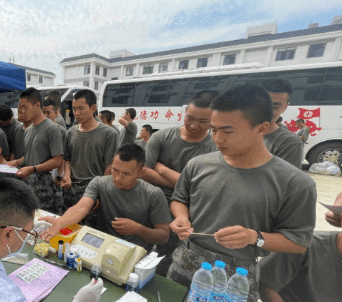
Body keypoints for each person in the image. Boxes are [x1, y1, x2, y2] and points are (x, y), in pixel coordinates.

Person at [168, 84, 317, 302]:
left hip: (236, 274)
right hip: (187, 258)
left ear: (262, 128)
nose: (217, 139)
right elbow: (180, 199)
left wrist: (254, 237)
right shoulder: (199, 165)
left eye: (227, 132)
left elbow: (298, 242)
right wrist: (181, 218)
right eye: (214, 129)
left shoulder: (294, 183)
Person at [140, 91, 219, 276]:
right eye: (190, 118)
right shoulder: (162, 137)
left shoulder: (214, 148)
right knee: (139, 250)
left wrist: (162, 169)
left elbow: (202, 189)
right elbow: (142, 171)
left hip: (182, 215)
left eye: (203, 121)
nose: (193, 125)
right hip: (149, 205)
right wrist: (186, 182)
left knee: (166, 259)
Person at [42, 144, 171, 249]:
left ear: (141, 172)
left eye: (126, 174)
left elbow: (164, 236)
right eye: (115, 170)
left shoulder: (153, 194)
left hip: (136, 253)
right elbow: (81, 207)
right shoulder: (99, 182)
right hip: (103, 247)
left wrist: (139, 229)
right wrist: (59, 222)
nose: (118, 178)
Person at [61, 90, 118, 219]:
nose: (76, 113)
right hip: (72, 188)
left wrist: (100, 193)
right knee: (68, 226)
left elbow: (109, 167)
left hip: (93, 188)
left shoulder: (109, 134)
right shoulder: (70, 133)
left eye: (81, 108)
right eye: (74, 109)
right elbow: (67, 159)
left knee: (89, 230)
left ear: (93, 108)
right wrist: (67, 175)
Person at [7, 87, 64, 213]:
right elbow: (29, 156)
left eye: (25, 107)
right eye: (20, 107)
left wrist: (33, 169)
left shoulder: (51, 129)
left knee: (43, 221)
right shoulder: (28, 130)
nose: (22, 110)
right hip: (27, 183)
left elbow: (58, 160)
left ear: (37, 105)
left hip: (43, 186)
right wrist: (16, 162)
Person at [261, 78, 303, 168]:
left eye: (275, 107)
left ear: (285, 108)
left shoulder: (289, 142)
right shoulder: (235, 132)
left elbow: (285, 180)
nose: (267, 111)